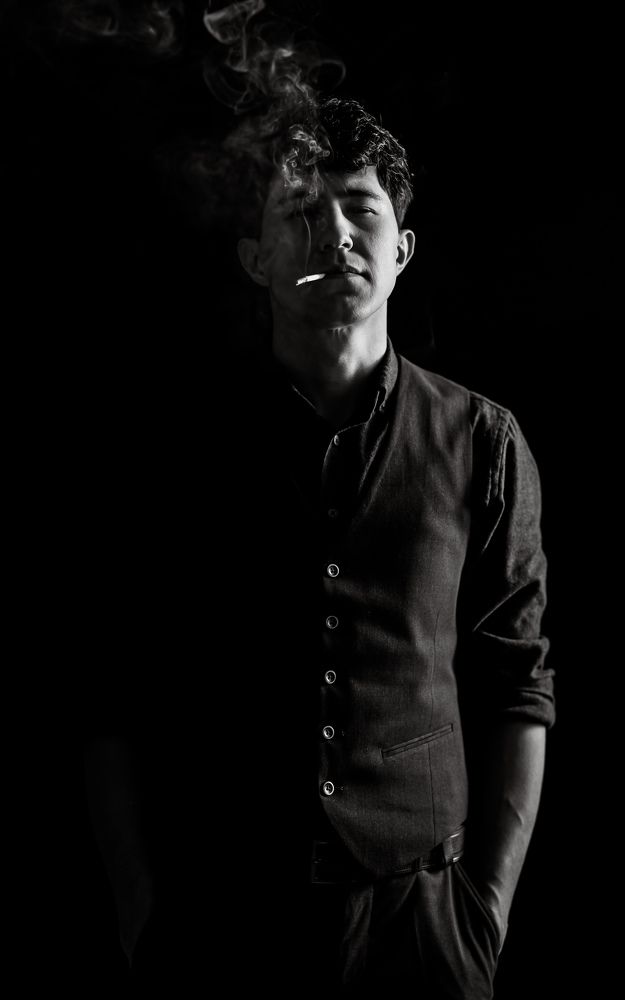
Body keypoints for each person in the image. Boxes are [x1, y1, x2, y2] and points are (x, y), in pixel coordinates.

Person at [83, 96, 554, 998]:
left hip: (421, 924)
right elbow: (113, 690)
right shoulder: (172, 452)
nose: (334, 233)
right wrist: (140, 913)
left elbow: (517, 683)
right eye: (301, 211)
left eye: (359, 209)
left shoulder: (482, 440)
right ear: (255, 258)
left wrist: (484, 914)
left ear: (401, 250)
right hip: (223, 919)